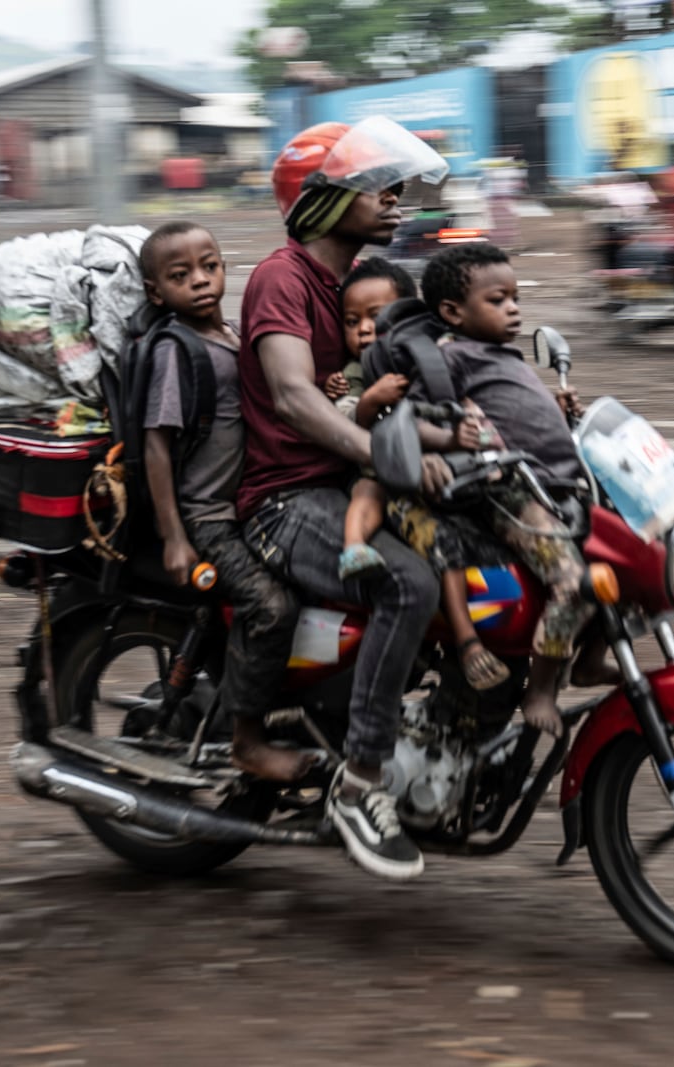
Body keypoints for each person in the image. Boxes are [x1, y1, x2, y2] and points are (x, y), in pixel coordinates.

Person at [237, 118, 452, 881]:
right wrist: (387, 458)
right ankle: (361, 782)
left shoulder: (361, 287)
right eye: (376, 185)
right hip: (283, 500)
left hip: (337, 486)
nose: (394, 199)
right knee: (409, 581)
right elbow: (296, 400)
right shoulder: (282, 278)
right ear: (322, 198)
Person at [138, 220, 313, 784]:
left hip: (249, 505)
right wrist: (174, 536)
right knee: (272, 608)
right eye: (179, 275)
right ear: (155, 292)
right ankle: (247, 741)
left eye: (208, 266)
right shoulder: (176, 350)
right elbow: (157, 444)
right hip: (207, 517)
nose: (200, 281)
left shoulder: (236, 337)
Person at [417, 243, 593, 735]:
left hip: (559, 484)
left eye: (515, 297)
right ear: (453, 312)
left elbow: (513, 417)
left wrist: (560, 413)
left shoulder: (502, 355)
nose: (513, 308)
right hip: (512, 495)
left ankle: (591, 657)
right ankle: (540, 688)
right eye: (498, 300)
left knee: (624, 563)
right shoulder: (449, 360)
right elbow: (421, 417)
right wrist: (438, 443)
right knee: (574, 584)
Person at [324, 256, 511, 692]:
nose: (364, 330)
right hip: (387, 479)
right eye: (352, 322)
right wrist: (371, 398)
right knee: (434, 539)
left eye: (376, 317)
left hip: (446, 479)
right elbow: (348, 423)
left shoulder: (436, 359)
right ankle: (466, 642)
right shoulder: (354, 374)